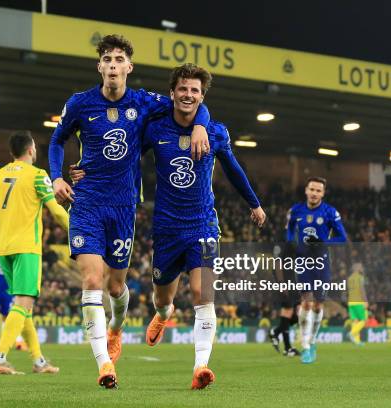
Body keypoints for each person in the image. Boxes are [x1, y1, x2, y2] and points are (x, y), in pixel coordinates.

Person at [70, 63, 266, 389]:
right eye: (184, 89)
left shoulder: (215, 132)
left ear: (202, 97)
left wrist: (254, 203)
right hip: (166, 229)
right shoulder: (155, 128)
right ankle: (163, 314)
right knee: (163, 298)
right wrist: (86, 171)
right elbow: (125, 155)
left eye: (195, 91)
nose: (189, 95)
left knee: (204, 294)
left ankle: (200, 367)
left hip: (203, 223)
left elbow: (233, 169)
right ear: (172, 93)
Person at [48, 35, 211, 389]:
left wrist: (200, 124)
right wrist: (57, 178)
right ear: (99, 67)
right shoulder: (79, 103)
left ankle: (116, 329)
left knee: (116, 285)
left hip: (123, 207)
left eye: (118, 59)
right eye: (106, 59)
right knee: (92, 281)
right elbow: (57, 139)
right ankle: (104, 364)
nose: (111, 65)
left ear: (128, 67)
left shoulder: (144, 102)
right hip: (87, 202)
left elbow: (188, 102)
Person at [0, 130, 69, 375]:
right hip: (27, 249)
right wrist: (79, 231)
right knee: (23, 303)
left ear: (12, 153)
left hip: (4, 250)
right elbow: (55, 210)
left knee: (23, 307)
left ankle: (38, 361)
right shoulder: (37, 175)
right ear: (31, 149)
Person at [286, 177, 347, 364]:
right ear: (306, 190)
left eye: (318, 190)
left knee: (319, 305)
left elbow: (342, 238)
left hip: (321, 261)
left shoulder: (330, 213)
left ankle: (312, 341)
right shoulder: (296, 211)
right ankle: (305, 345)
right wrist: (292, 243)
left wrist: (322, 243)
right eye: (312, 189)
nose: (314, 193)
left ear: (323, 193)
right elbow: (289, 231)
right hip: (303, 261)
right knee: (306, 302)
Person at [347, 262, 368, 346]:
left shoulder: (349, 278)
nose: (362, 268)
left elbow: (348, 291)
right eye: (361, 267)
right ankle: (351, 333)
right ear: (357, 268)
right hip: (358, 301)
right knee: (363, 320)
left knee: (355, 321)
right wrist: (365, 300)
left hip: (350, 302)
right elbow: (362, 290)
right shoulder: (360, 277)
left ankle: (356, 341)